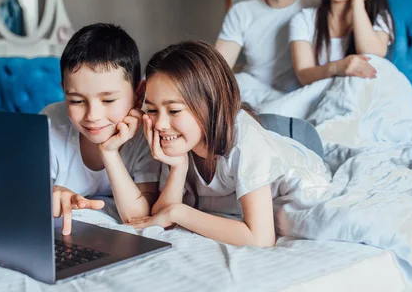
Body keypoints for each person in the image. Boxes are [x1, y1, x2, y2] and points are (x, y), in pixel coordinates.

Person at [128, 41, 330, 247]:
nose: (160, 124)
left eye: (174, 111)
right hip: (235, 130)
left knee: (255, 129)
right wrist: (178, 167)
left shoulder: (246, 142)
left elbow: (260, 238)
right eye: (152, 110)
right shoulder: (181, 141)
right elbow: (163, 216)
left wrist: (180, 212)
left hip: (301, 145)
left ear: (209, 104)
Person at [41, 23, 160, 235]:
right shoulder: (50, 124)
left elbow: (136, 216)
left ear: (138, 94)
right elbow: (24, 191)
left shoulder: (146, 135)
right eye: (77, 101)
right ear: (64, 92)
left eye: (108, 99)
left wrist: (109, 151)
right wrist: (50, 192)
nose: (92, 116)